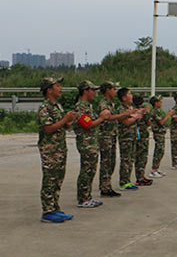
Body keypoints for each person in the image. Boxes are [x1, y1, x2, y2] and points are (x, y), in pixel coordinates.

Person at [37, 77, 78, 223]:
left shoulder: (57, 106)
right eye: (57, 86)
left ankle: (55, 208)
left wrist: (69, 121)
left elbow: (61, 126)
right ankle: (47, 212)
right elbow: (48, 129)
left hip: (60, 148)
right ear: (49, 90)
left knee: (58, 179)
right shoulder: (45, 108)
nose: (60, 88)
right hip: (50, 150)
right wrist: (64, 119)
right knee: (50, 179)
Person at [72, 80, 108, 208]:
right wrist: (102, 118)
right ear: (85, 91)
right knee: (86, 170)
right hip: (86, 143)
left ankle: (87, 196)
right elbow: (87, 124)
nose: (94, 93)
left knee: (91, 170)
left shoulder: (88, 106)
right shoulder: (80, 107)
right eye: (92, 90)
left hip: (92, 142)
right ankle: (83, 198)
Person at [97, 81, 136, 197]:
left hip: (112, 135)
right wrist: (126, 114)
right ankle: (105, 188)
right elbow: (108, 118)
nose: (114, 91)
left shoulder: (111, 104)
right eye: (113, 89)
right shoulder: (103, 103)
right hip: (106, 136)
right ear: (108, 90)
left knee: (111, 162)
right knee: (106, 162)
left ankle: (107, 186)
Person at [117, 88, 144, 191]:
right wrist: (136, 116)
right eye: (129, 94)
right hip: (125, 137)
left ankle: (127, 180)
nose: (131, 96)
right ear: (124, 98)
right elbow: (126, 122)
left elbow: (135, 119)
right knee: (125, 159)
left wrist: (139, 114)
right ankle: (123, 182)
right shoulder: (121, 108)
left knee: (131, 159)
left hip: (132, 136)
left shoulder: (131, 107)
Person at [147, 96, 174, 179]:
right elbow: (162, 122)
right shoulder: (155, 112)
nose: (161, 103)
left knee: (161, 151)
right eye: (159, 102)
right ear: (155, 103)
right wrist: (168, 115)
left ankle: (156, 168)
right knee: (158, 150)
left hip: (161, 133)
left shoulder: (158, 111)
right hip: (158, 133)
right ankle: (153, 170)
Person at [132, 95, 153, 187]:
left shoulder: (132, 110)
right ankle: (140, 178)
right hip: (142, 136)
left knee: (138, 156)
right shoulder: (143, 111)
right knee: (142, 157)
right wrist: (148, 112)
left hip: (135, 135)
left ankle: (140, 176)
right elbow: (149, 123)